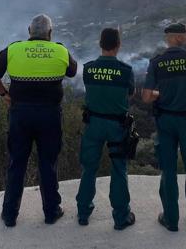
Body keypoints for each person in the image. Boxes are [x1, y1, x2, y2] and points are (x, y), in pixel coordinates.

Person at [0, 14, 77, 227]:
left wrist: (4, 95)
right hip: (49, 115)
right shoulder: (60, 50)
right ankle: (52, 211)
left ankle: (9, 215)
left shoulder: (13, 49)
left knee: (17, 163)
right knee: (48, 163)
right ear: (50, 33)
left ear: (29, 31)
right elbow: (72, 71)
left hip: (20, 115)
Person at [141, 22, 186, 232]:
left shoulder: (157, 63)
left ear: (168, 39)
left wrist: (159, 94)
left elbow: (146, 96)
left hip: (165, 122)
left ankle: (171, 219)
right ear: (178, 38)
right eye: (185, 34)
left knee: (168, 170)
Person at [75, 28, 136, 230]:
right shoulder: (126, 70)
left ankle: (83, 213)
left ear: (100, 44)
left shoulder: (89, 69)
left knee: (88, 169)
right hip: (117, 126)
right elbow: (130, 93)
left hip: (93, 124)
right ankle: (121, 217)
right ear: (118, 45)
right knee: (119, 169)